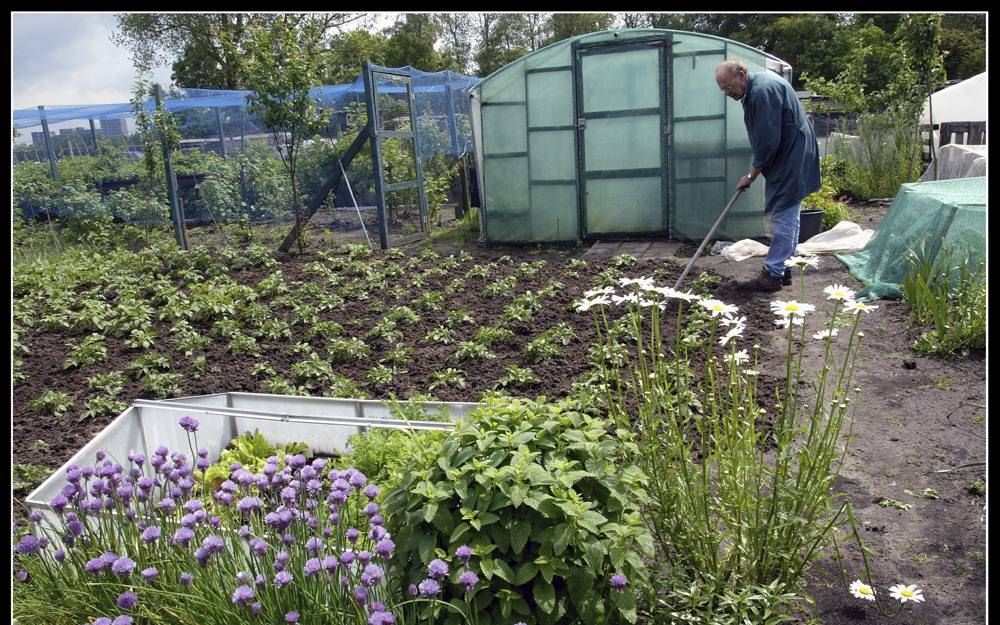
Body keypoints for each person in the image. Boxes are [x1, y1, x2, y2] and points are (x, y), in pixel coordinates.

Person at [715, 59, 820, 291]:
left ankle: (773, 273)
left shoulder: (762, 92)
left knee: (782, 215)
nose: (727, 92)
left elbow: (767, 141)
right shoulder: (755, 89)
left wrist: (751, 176)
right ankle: (784, 268)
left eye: (728, 86)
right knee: (790, 214)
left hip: (791, 157)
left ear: (741, 75)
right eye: (723, 89)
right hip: (792, 153)